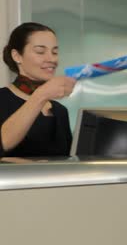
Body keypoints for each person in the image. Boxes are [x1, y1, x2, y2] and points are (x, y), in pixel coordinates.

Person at [1, 22, 76, 157]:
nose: (51, 59)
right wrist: (41, 94)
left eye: (55, 52)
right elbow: (3, 143)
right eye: (40, 51)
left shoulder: (60, 111)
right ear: (17, 56)